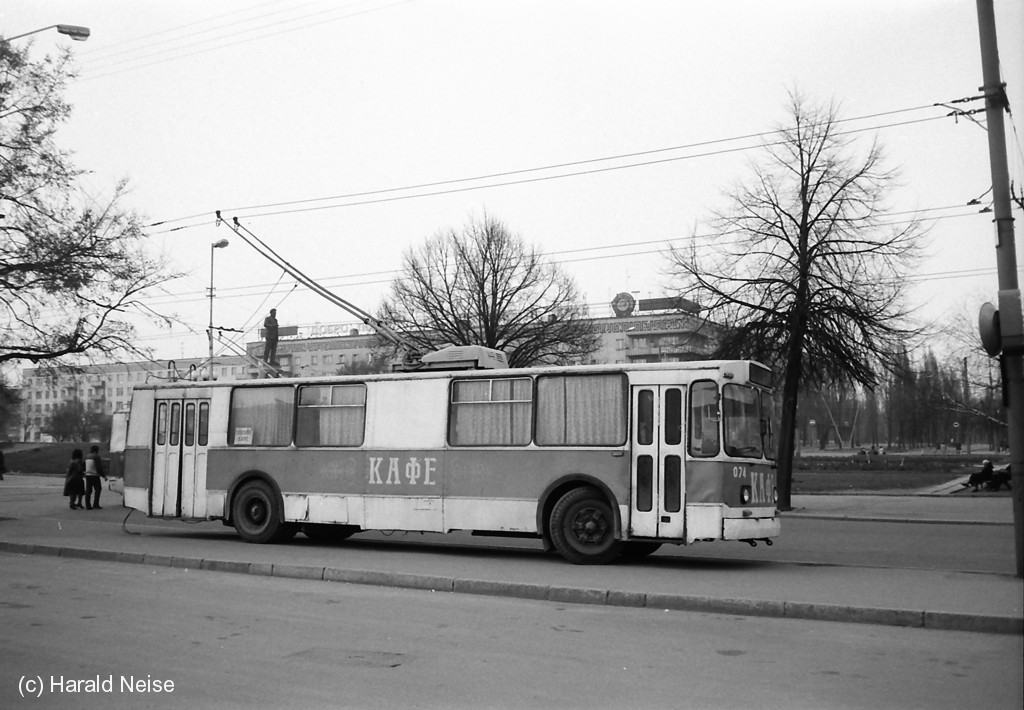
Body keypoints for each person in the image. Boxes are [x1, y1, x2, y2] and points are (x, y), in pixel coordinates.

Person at [83, 445, 107, 510]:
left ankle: (88, 505)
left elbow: (83, 466)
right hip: (95, 475)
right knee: (98, 489)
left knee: (88, 490)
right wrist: (103, 476)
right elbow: (99, 468)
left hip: (88, 475)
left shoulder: (86, 457)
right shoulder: (96, 457)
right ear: (96, 450)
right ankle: (95, 504)